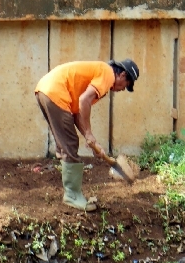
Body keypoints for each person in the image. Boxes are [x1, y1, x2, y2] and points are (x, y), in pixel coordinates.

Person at [34, 58, 139, 211]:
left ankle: (69, 187)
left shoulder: (100, 72)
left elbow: (77, 113)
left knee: (65, 142)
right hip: (55, 92)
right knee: (70, 143)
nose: (123, 89)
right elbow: (84, 101)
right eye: (126, 85)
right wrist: (88, 133)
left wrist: (92, 142)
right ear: (122, 75)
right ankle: (72, 195)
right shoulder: (108, 74)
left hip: (45, 90)